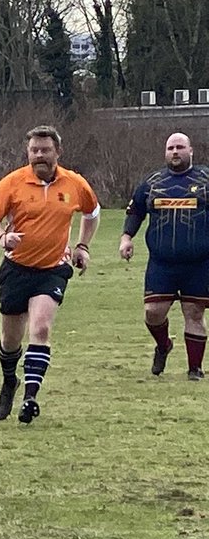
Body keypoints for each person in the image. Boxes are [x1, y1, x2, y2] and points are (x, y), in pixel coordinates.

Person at [0, 126, 99, 422]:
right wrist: (1, 238)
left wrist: (82, 245)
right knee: (10, 340)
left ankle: (30, 397)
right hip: (16, 269)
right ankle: (10, 382)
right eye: (34, 150)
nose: (39, 156)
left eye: (45, 150)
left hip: (53, 269)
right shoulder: (14, 182)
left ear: (57, 152)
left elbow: (92, 212)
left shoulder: (74, 183)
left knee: (42, 329)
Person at [120, 132, 209, 380]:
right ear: (165, 152)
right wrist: (126, 238)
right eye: (171, 148)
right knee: (153, 312)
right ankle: (163, 345)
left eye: (180, 147)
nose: (175, 152)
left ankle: (195, 369)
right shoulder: (153, 182)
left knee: (194, 312)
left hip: (198, 263)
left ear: (191, 151)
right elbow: (135, 211)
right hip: (161, 263)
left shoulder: (205, 180)